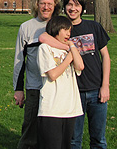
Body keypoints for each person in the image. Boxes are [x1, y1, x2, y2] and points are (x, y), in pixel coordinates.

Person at [39, 0, 111, 149]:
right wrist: (69, 47)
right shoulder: (62, 28)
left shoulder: (94, 27)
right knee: (73, 140)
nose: (73, 8)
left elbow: (105, 56)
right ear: (64, 8)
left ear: (82, 8)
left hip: (96, 89)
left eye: (77, 5)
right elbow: (43, 38)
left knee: (99, 139)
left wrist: (105, 85)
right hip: (73, 94)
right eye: (69, 5)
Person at [13, 0, 61, 149]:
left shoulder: (61, 26)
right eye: (43, 3)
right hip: (34, 88)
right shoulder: (26, 27)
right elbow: (19, 61)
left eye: (49, 3)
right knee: (30, 132)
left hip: (57, 89)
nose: (46, 7)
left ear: (55, 5)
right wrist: (18, 89)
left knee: (54, 133)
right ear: (37, 5)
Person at [37, 16, 84, 149]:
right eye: (65, 29)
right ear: (56, 28)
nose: (68, 33)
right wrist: (68, 59)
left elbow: (80, 66)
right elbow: (52, 75)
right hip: (52, 110)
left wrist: (72, 46)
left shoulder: (68, 49)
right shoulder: (45, 49)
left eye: (70, 30)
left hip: (70, 109)